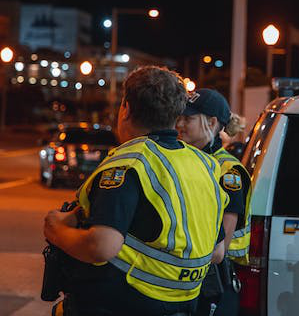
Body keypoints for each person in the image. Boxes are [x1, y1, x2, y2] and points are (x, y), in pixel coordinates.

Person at [43, 65, 228, 316]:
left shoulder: (130, 162)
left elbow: (102, 246)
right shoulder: (205, 164)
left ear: (126, 109)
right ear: (175, 115)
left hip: (119, 303)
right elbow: (217, 252)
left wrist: (56, 230)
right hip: (186, 304)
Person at [176, 88, 251, 316]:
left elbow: (220, 251)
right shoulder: (185, 162)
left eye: (188, 118)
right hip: (189, 282)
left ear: (211, 122)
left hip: (214, 287)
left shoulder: (228, 171)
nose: (179, 124)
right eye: (179, 117)